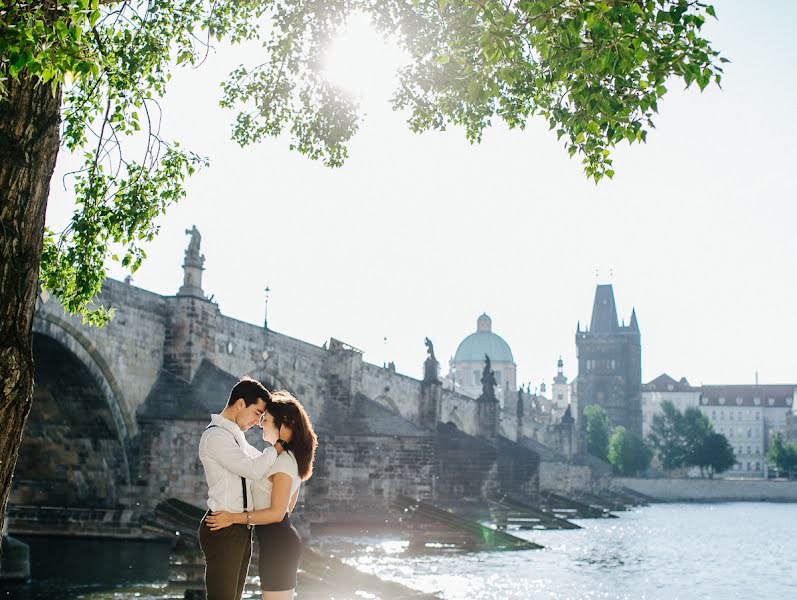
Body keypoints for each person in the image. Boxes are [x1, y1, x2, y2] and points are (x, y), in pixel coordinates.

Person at [206, 390, 317, 600]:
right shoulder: (284, 458)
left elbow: (277, 513)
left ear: (283, 424)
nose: (260, 423)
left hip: (278, 545)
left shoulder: (284, 462)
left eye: (265, 418)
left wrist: (233, 518)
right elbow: (287, 507)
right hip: (276, 542)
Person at [198, 378, 293, 600]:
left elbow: (262, 462)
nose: (257, 421)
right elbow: (252, 469)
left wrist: (288, 458)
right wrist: (280, 444)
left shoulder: (235, 437)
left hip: (238, 526)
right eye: (256, 413)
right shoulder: (216, 436)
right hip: (222, 526)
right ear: (240, 403)